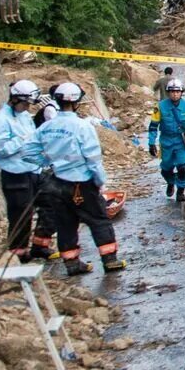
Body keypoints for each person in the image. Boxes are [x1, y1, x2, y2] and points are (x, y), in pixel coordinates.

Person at [36, 82, 126, 275]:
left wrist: (49, 162)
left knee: (65, 223)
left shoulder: (46, 127)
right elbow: (93, 159)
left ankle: (71, 264)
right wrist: (100, 181)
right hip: (81, 182)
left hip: (55, 182)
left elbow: (29, 152)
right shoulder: (82, 126)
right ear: (76, 102)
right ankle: (110, 260)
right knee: (99, 220)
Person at [0, 79, 46, 252]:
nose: (28, 107)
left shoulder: (24, 115)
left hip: (33, 170)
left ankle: (40, 244)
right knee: (21, 215)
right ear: (15, 99)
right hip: (15, 174)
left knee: (51, 203)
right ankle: (17, 252)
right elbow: (0, 150)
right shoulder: (0, 121)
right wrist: (23, 140)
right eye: (25, 104)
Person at [149, 76, 185, 200]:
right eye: (172, 92)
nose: (175, 94)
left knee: (183, 167)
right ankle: (170, 182)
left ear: (181, 92)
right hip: (166, 141)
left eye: (177, 92)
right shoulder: (160, 107)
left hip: (181, 142)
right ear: (168, 92)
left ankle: (180, 191)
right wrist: (151, 143)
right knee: (166, 168)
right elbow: (153, 125)